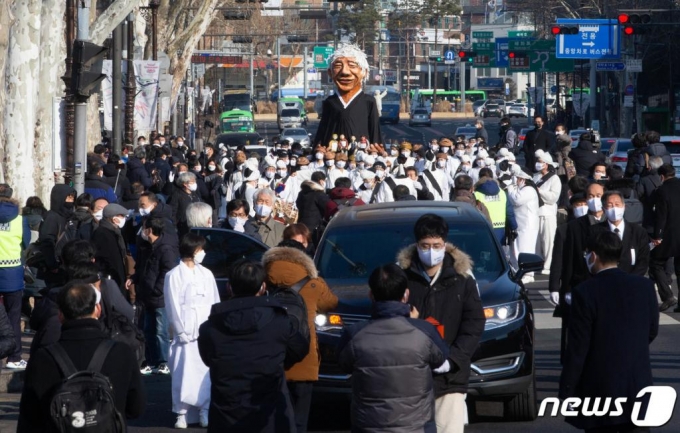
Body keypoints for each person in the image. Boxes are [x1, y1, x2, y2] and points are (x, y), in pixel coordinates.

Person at [559, 231, 659, 433]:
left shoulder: (585, 292)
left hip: (599, 387)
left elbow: (578, 347)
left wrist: (567, 387)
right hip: (637, 383)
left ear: (593, 256)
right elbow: (652, 330)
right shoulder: (644, 287)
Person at [397, 214, 485, 433]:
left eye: (436, 245)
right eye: (425, 245)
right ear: (417, 245)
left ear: (445, 245)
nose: (431, 251)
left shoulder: (462, 279)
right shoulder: (401, 278)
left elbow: (473, 324)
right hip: (410, 377)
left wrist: (453, 359)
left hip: (451, 377)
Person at [197, 260, 309, 432]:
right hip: (269, 411)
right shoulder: (280, 322)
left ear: (229, 287)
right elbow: (300, 349)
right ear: (263, 287)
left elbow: (207, 358)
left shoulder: (210, 328)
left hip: (226, 412)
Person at [17, 283, 146, 432]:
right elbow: (136, 408)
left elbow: (29, 418)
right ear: (97, 309)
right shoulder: (121, 352)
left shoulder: (44, 358)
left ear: (60, 315)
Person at [338, 264, 450, 433]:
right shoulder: (424, 332)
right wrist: (415, 321)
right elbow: (440, 358)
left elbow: (344, 363)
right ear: (406, 295)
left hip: (368, 427)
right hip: (417, 427)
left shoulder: (354, 335)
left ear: (371, 295)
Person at [262, 243, 338, 433]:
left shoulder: (263, 280)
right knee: (300, 420)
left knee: (272, 417)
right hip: (304, 356)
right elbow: (332, 303)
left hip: (271, 358)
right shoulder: (313, 284)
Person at [165, 233, 220, 429]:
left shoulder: (206, 274)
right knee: (183, 371)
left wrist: (215, 327)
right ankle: (182, 412)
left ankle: (204, 410)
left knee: (204, 371)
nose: (203, 253)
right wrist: (180, 331)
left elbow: (215, 301)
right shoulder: (173, 275)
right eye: (201, 249)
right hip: (186, 331)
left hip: (204, 328)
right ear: (194, 250)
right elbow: (172, 305)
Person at [556, 182, 606, 363]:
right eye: (590, 196)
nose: (594, 200)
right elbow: (566, 259)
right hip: (581, 284)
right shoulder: (574, 227)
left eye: (599, 196)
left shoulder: (611, 225)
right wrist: (562, 288)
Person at [132, 217, 180, 376]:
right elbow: (145, 269)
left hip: (158, 297)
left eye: (144, 228)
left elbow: (168, 271)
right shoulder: (148, 247)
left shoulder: (164, 249)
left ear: (150, 230)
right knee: (149, 329)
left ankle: (163, 361)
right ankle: (152, 360)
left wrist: (157, 290)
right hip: (148, 296)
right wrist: (134, 279)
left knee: (160, 331)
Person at [314, 44, 382, 146]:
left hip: (361, 154)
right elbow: (323, 131)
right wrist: (318, 147)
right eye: (337, 66)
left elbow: (375, 131)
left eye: (352, 66)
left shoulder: (369, 101)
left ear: (364, 72)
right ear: (330, 72)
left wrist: (376, 148)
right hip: (333, 155)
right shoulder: (330, 102)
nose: (344, 72)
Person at [0, 185, 30, 369]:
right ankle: (14, 357)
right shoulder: (20, 220)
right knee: (13, 316)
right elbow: (25, 243)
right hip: (12, 274)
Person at [591, 190, 650, 276]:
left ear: (624, 207)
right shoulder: (595, 231)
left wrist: (630, 281)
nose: (614, 208)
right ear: (603, 209)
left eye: (617, 204)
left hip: (631, 282)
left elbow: (643, 261)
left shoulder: (638, 232)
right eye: (610, 205)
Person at [648, 164, 680, 311]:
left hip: (669, 234)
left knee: (656, 264)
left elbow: (662, 215)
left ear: (661, 177)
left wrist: (657, 235)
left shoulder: (662, 191)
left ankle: (667, 296)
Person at [37, 184, 77, 285]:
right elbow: (47, 241)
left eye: (72, 197)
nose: (71, 200)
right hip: (57, 264)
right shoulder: (52, 217)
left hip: (67, 263)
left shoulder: (68, 216)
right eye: (68, 197)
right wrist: (53, 264)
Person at [507, 166, 540, 283]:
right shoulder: (523, 190)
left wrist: (510, 189)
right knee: (518, 249)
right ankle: (519, 271)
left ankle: (528, 274)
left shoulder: (529, 190)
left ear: (524, 179)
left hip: (527, 225)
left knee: (526, 249)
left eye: (519, 179)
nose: (517, 181)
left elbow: (516, 200)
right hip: (521, 224)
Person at [534, 150, 562, 275]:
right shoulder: (535, 177)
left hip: (548, 214)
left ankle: (548, 265)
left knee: (548, 240)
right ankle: (538, 263)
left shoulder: (554, 179)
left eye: (540, 162)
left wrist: (540, 191)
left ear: (546, 164)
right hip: (535, 213)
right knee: (537, 241)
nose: (538, 164)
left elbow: (553, 198)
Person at [92, 203, 129, 288]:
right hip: (110, 279)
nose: (123, 219)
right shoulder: (102, 234)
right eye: (121, 216)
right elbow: (103, 257)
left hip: (117, 277)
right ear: (114, 219)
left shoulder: (115, 232)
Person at [168, 171, 202, 238]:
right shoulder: (177, 195)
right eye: (192, 182)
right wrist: (174, 227)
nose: (195, 183)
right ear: (185, 184)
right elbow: (172, 211)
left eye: (195, 181)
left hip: (196, 225)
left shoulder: (195, 194)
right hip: (182, 227)